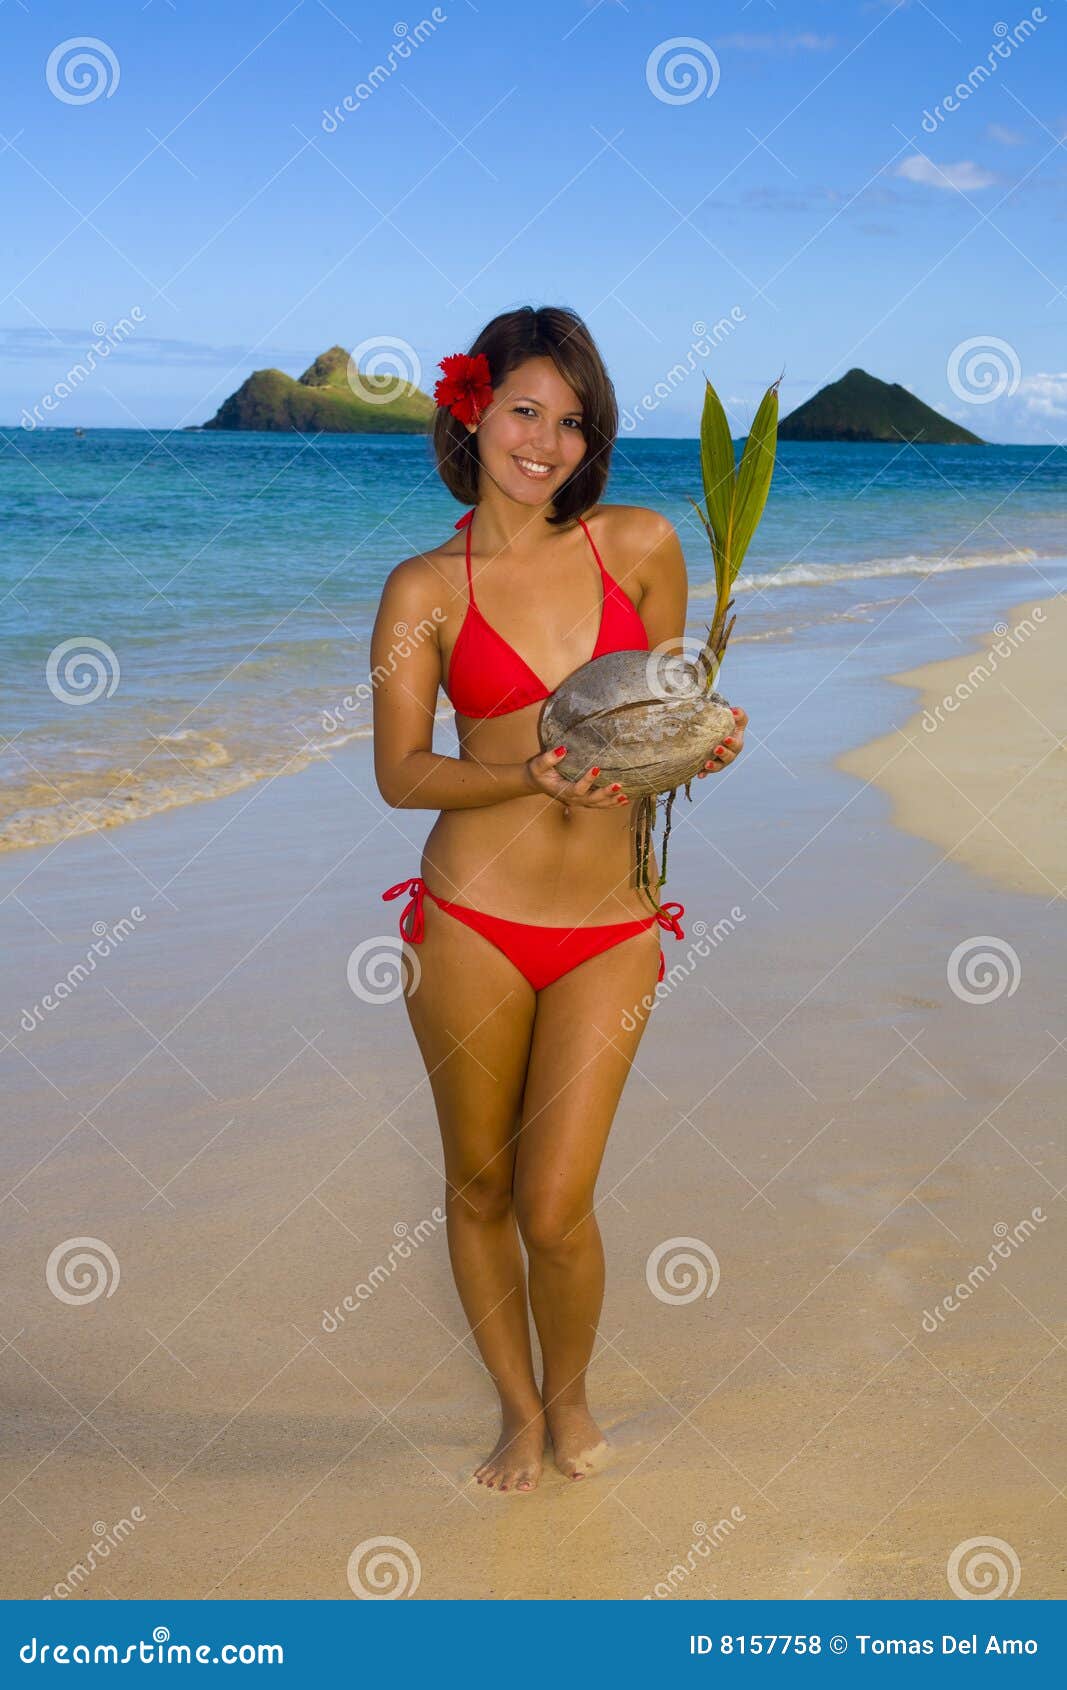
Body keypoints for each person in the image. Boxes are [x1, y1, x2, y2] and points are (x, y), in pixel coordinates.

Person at [371, 305, 746, 1493]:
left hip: (610, 926)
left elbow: (657, 725)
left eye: (572, 421)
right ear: (471, 409)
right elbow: (399, 774)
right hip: (470, 917)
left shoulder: (636, 545)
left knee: (553, 1204)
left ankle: (573, 1394)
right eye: (525, 410)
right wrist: (515, 775)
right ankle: (518, 1409)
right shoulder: (422, 589)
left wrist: (700, 747)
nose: (545, 441)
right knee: (477, 1184)